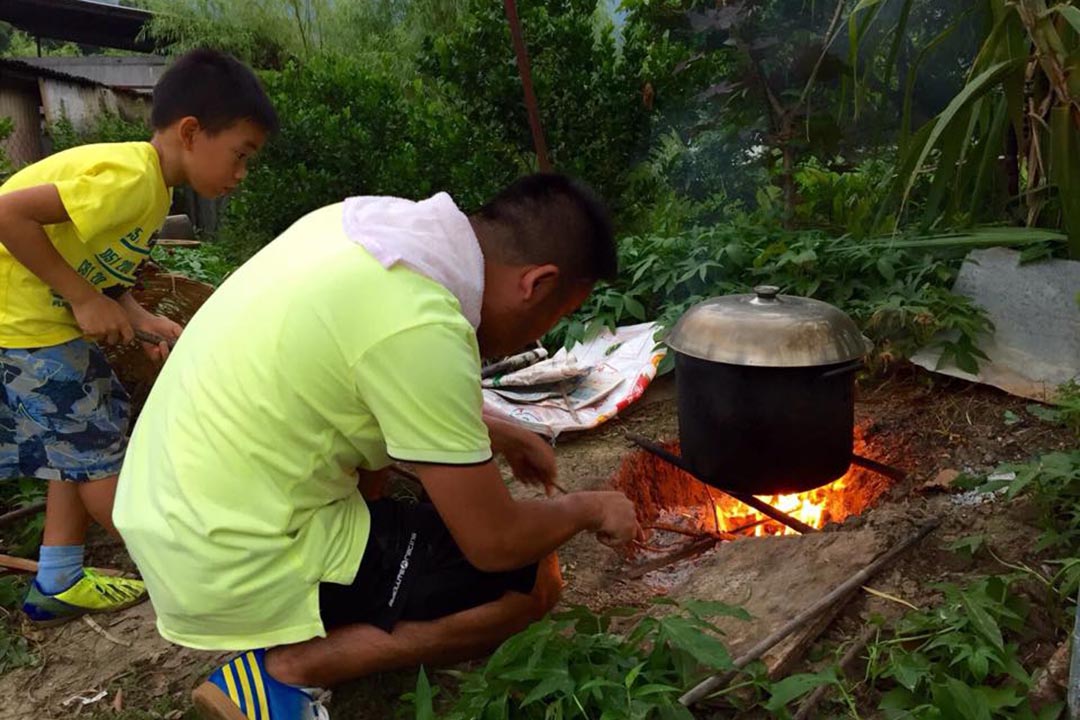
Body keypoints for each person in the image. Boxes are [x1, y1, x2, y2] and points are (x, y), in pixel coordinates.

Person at [113, 174, 641, 720]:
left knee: (400, 495)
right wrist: (588, 506)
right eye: (552, 318)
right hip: (230, 552)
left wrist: (499, 430)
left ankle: (308, 608)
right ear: (536, 283)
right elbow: (496, 542)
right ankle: (283, 674)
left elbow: (361, 369)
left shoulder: (366, 229)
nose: (536, 336)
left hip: (173, 513)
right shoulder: (421, 320)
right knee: (529, 583)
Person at [0, 48, 277, 625]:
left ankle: (57, 578)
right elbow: (8, 214)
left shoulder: (153, 192)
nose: (241, 173)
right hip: (22, 325)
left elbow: (101, 265)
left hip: (36, 322)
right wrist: (81, 298)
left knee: (77, 443)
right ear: (192, 132)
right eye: (240, 156)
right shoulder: (130, 178)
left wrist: (132, 311)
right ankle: (191, 570)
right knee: (98, 445)